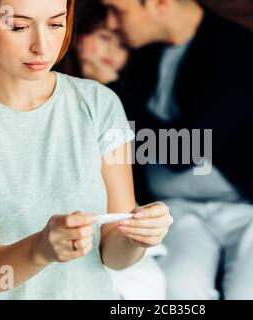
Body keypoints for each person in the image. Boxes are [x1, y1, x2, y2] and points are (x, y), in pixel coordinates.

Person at [0, 0, 172, 300]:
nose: (41, 47)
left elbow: (113, 252)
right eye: (19, 26)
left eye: (56, 24)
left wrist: (139, 238)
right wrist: (41, 249)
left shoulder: (100, 104)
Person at [87, 0, 253, 299]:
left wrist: (111, 89)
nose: (113, 23)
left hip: (249, 209)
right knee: (180, 291)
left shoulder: (237, 50)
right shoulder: (142, 56)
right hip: (173, 210)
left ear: (160, 4)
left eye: (119, 11)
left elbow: (186, 150)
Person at [56, 0, 168, 299]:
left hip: (113, 223)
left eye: (122, 47)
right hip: (57, 223)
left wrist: (111, 89)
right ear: (78, 37)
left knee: (147, 284)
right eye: (104, 38)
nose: (112, 53)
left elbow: (160, 148)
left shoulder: (124, 101)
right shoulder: (45, 88)